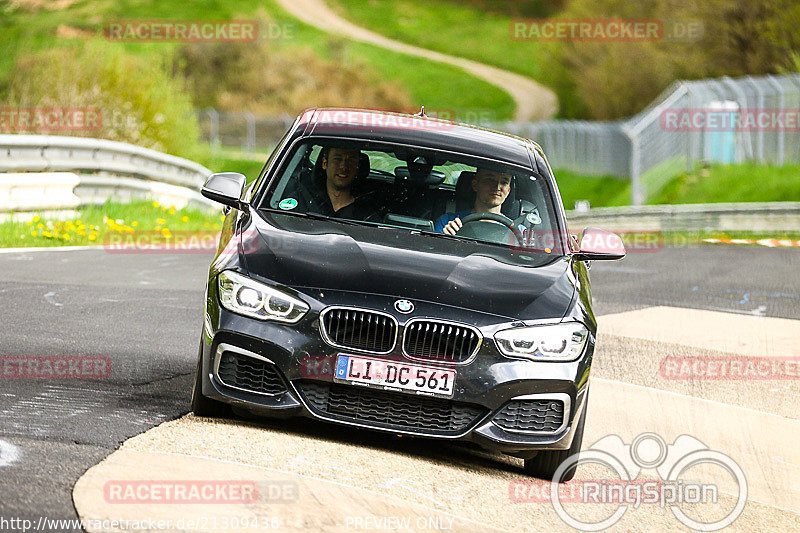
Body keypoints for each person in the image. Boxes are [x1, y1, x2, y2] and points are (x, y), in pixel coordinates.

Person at [292, 146, 380, 220]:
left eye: (351, 161)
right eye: (337, 159)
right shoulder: (301, 200)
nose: (343, 167)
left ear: (357, 167)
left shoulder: (368, 216)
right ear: (324, 163)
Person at [434, 168, 512, 234]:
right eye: (490, 180)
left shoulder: (518, 231)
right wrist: (446, 238)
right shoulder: (447, 222)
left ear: (508, 191)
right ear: (475, 185)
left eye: (504, 182)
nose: (497, 187)